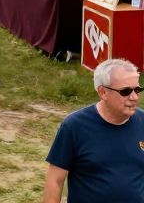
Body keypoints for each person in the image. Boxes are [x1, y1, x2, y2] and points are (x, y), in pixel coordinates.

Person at [43, 58, 144, 203]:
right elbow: (55, 181)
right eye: (126, 91)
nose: (134, 97)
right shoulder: (74, 126)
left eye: (137, 89)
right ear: (103, 92)